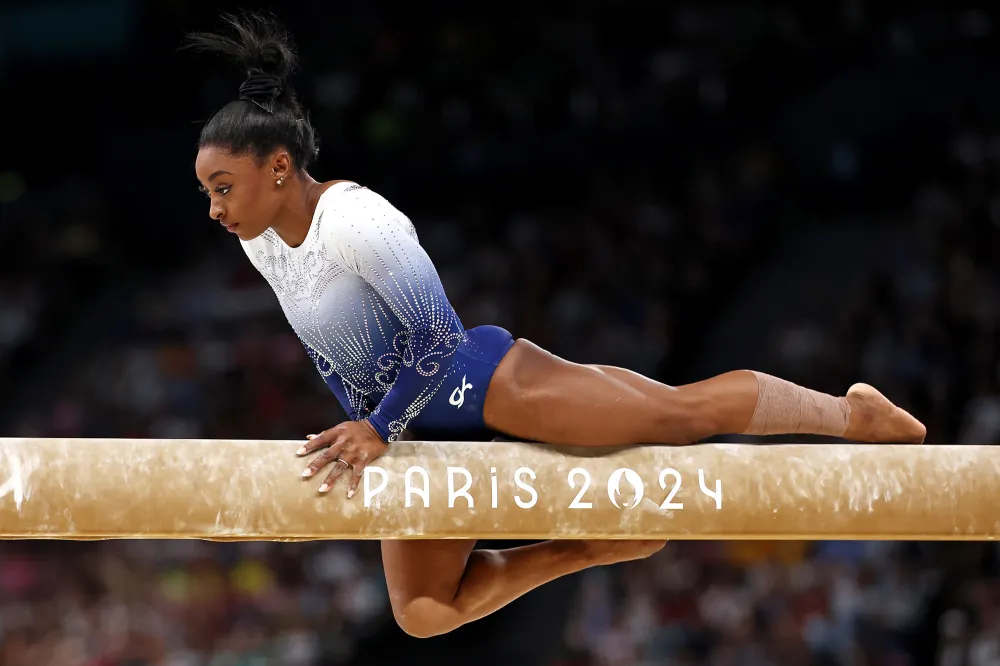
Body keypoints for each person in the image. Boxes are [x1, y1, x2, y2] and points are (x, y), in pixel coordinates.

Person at [184, 11, 927, 639]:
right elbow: (346, 350)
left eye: (222, 187)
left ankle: (849, 414)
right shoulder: (258, 241)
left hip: (484, 387)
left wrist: (376, 425)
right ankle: (586, 547)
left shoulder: (358, 219)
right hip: (409, 431)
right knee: (421, 610)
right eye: (206, 192)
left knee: (678, 414)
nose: (214, 209)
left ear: (279, 167)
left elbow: (438, 338)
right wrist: (376, 424)